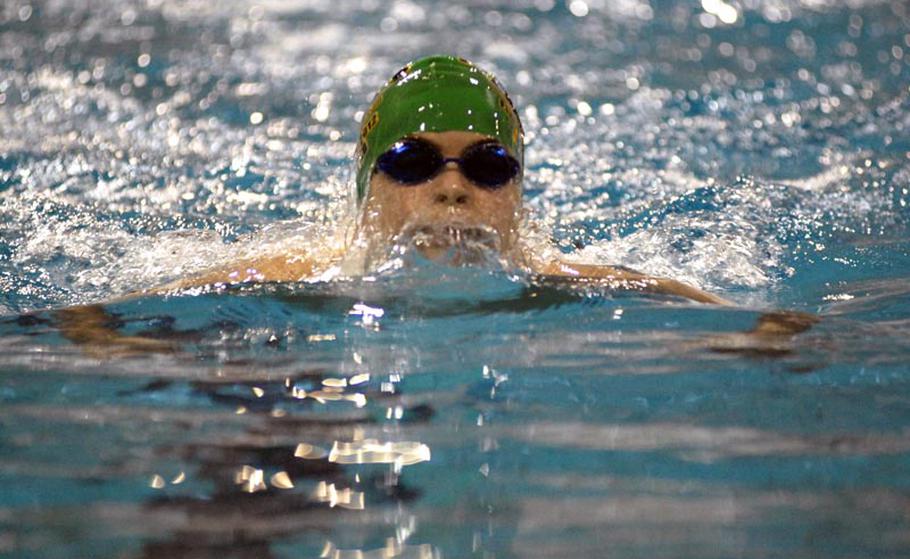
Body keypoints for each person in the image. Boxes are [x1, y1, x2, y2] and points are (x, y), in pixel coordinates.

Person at [56, 55, 818, 355]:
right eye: (412, 161)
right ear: (366, 191)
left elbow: (759, 322)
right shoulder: (297, 274)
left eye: (487, 166)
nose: (451, 188)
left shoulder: (562, 278)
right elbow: (88, 316)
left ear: (516, 195)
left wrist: (758, 342)